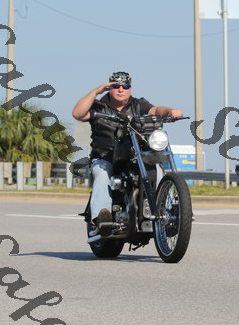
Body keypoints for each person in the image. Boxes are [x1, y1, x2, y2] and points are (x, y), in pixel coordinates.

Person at [72, 71, 182, 235]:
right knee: (102, 177)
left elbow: (155, 110)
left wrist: (170, 111)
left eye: (125, 86)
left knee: (158, 171)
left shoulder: (139, 105)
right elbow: (78, 114)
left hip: (134, 156)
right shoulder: (98, 106)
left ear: (130, 87)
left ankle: (165, 213)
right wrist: (95, 91)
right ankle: (102, 218)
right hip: (105, 157)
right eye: (116, 86)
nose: (121, 89)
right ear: (109, 88)